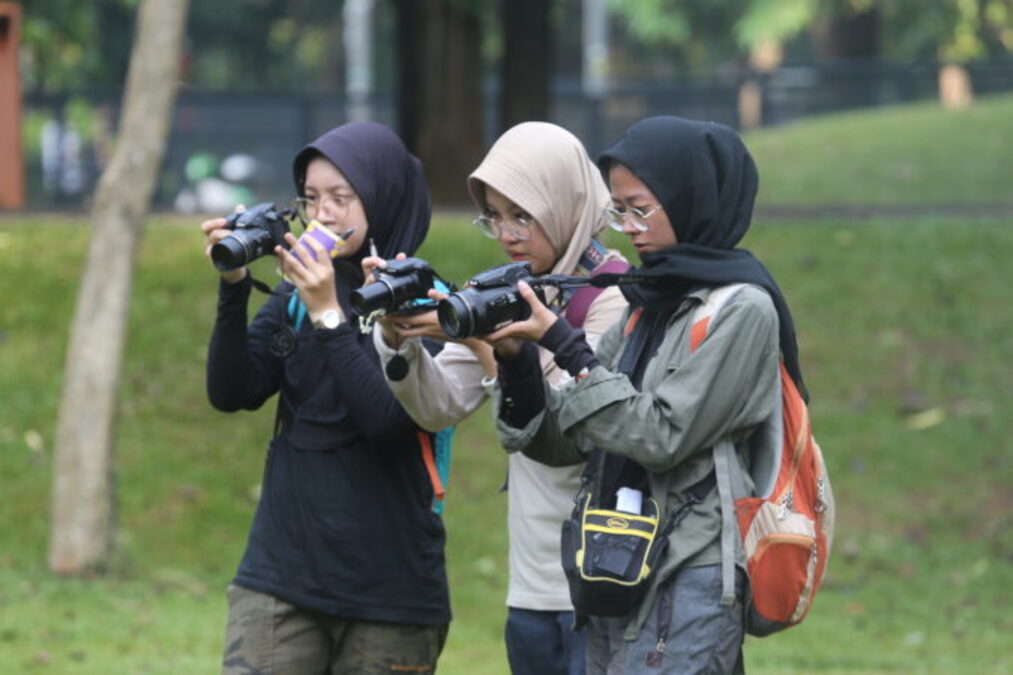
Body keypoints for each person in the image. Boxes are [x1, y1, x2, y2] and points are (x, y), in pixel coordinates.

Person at [485, 116, 808, 673]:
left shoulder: (741, 309)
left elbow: (660, 434)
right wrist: (516, 364)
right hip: (617, 563)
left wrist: (566, 345)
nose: (628, 227)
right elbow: (561, 441)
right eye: (619, 210)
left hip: (691, 570)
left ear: (691, 199)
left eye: (641, 208)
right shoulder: (646, 300)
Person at [367, 122, 629, 674]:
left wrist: (492, 349)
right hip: (531, 584)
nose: (508, 233)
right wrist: (401, 337)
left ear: (564, 204)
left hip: (603, 578)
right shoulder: (507, 288)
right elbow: (439, 406)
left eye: (523, 215)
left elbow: (579, 424)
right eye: (495, 216)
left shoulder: (613, 295)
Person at [201, 121, 450, 674]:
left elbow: (387, 423)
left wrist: (330, 316)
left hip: (391, 591)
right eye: (312, 199)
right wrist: (235, 284)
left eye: (342, 198)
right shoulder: (295, 292)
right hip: (280, 576)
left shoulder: (429, 302)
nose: (324, 214)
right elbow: (232, 391)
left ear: (383, 197)